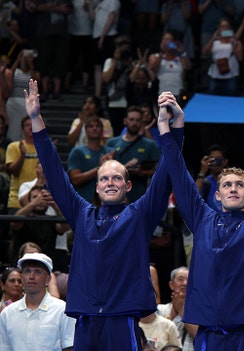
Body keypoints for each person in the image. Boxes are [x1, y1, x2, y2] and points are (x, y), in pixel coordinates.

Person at [26, 79, 184, 350]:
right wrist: (36, 119)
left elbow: (167, 173)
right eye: (104, 179)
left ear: (128, 185)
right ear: (97, 187)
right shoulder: (81, 213)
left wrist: (174, 127)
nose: (110, 182)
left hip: (121, 318)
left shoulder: (140, 214)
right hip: (86, 317)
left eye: (117, 178)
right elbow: (53, 172)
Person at [155, 87, 244, 350]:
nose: (233, 188)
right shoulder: (202, 219)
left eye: (240, 185)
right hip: (209, 334)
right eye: (227, 185)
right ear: (218, 195)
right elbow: (177, 173)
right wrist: (168, 125)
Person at [0, 253, 75, 351]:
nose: (31, 276)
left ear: (48, 279)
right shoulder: (7, 313)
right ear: (22, 277)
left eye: (38, 272)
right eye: (27, 271)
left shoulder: (62, 310)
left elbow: (69, 347)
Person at [105, 106, 161, 203]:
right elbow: (102, 170)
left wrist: (142, 172)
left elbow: (159, 170)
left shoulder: (150, 145)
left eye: (137, 120)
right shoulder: (111, 143)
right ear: (125, 121)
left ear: (141, 122)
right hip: (114, 196)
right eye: (131, 119)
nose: (134, 123)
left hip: (141, 197)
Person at [67, 116, 115, 203]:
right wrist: (99, 168)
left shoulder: (110, 153)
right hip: (83, 202)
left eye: (97, 126)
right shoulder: (77, 152)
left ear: (102, 130)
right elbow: (75, 179)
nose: (94, 128)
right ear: (85, 130)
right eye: (91, 126)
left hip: (108, 203)